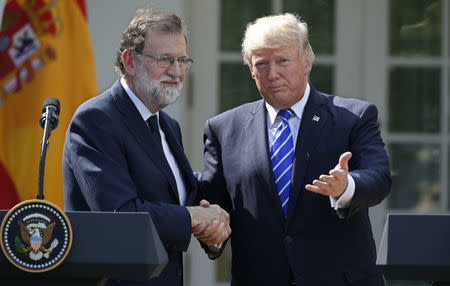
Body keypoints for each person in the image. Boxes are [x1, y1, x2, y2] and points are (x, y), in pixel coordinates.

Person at [198, 13, 391, 286]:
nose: (272, 73)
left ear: (307, 62)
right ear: (252, 71)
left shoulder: (353, 117)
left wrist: (346, 185)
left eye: (283, 61)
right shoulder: (223, 129)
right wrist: (211, 232)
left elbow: (379, 177)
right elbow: (213, 208)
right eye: (261, 64)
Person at [62, 8, 230, 286]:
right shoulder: (96, 119)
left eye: (181, 60)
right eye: (164, 60)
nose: (176, 71)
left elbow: (178, 199)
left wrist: (213, 222)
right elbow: (121, 215)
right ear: (130, 61)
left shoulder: (167, 126)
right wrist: (193, 217)